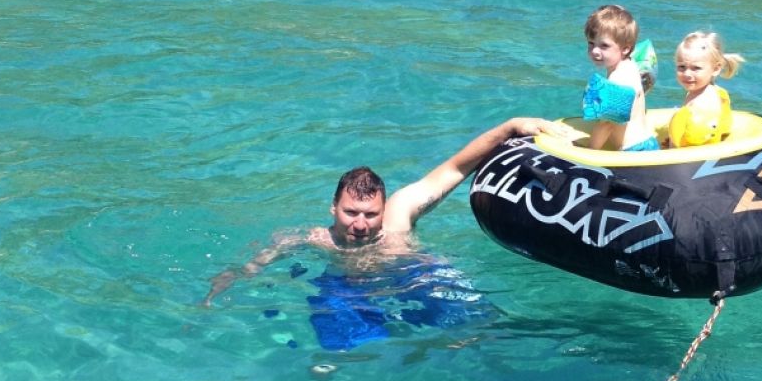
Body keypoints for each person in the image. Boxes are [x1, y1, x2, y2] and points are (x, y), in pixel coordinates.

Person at [202, 116, 563, 306]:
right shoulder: (312, 239)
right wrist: (225, 283)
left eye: (370, 214)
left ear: (383, 208)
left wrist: (511, 127)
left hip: (418, 280)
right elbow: (255, 262)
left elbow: (456, 168)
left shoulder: (400, 214)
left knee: (474, 323)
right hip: (349, 290)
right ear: (333, 208)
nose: (360, 224)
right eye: (350, 213)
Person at [580, 4, 659, 151]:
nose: (595, 51)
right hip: (646, 143)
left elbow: (607, 124)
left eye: (604, 46)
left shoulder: (619, 78)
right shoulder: (630, 65)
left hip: (634, 151)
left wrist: (589, 151)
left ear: (626, 48)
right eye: (591, 43)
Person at [665, 31, 745, 148]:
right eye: (681, 67)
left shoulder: (699, 103)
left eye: (696, 68)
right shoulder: (715, 92)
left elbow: (686, 143)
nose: (687, 73)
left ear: (716, 69)